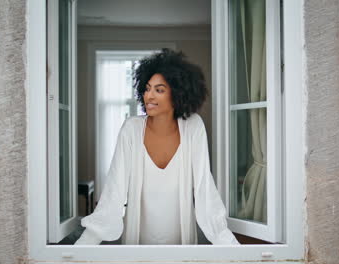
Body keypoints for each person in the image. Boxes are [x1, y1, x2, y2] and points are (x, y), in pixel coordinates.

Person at [75, 48, 239, 245]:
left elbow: (204, 190)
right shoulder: (131, 129)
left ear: (178, 94)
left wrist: (228, 244)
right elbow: (113, 192)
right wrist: (84, 245)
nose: (149, 96)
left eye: (159, 90)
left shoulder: (193, 127)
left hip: (182, 246)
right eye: (147, 88)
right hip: (137, 247)